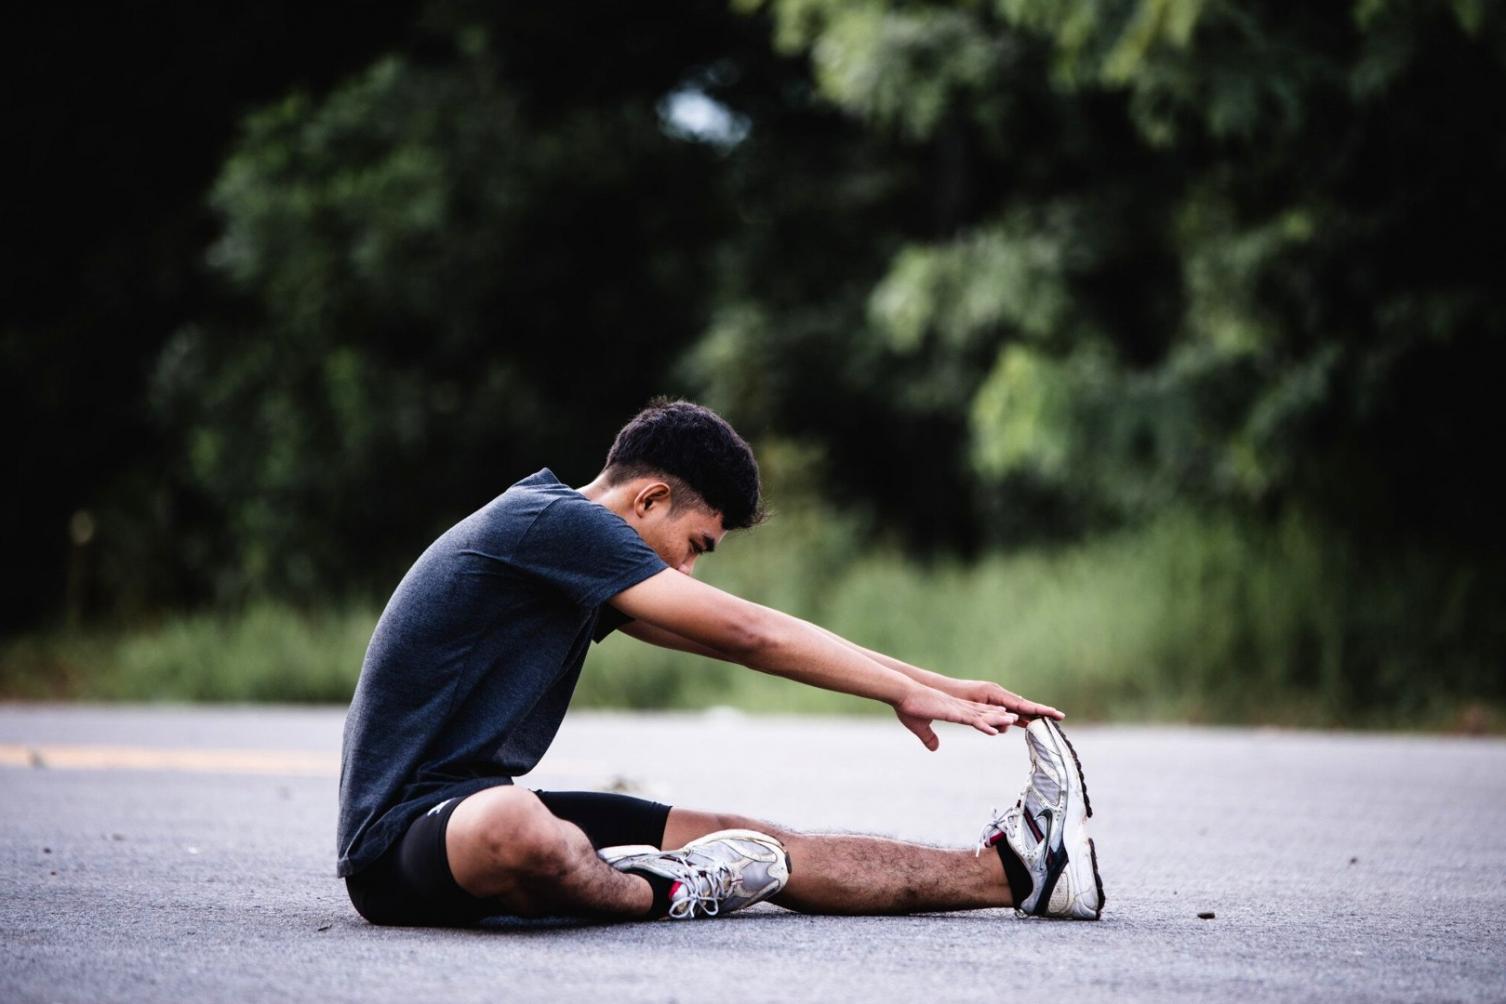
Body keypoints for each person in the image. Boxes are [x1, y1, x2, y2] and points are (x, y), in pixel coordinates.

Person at [338, 398, 1105, 925]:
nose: (687, 572)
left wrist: (934, 685)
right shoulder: (550, 524)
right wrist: (902, 694)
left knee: (747, 842)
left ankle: (1016, 872)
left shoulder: (574, 561)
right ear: (648, 500)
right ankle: (659, 892)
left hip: (469, 811)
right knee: (516, 823)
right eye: (695, 546)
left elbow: (731, 639)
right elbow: (746, 632)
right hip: (402, 844)